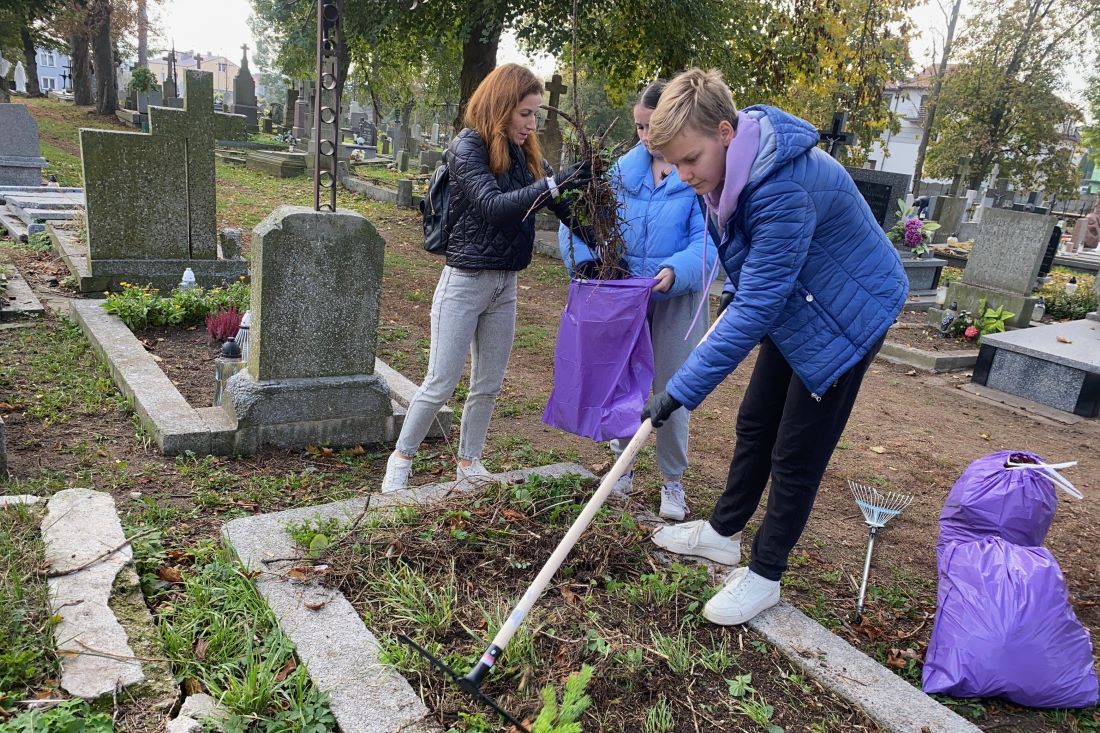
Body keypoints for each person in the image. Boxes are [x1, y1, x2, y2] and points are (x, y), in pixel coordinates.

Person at [640, 69, 907, 626]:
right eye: (675, 162)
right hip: (802, 302)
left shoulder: (782, 187)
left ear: (725, 133)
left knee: (796, 452)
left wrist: (679, 392)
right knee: (756, 421)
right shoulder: (728, 174)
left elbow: (756, 305)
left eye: (690, 159)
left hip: (847, 316)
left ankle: (764, 576)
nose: (683, 174)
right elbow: (758, 277)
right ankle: (721, 533)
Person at [381, 64, 591, 492]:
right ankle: (401, 460)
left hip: (505, 285)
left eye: (535, 115)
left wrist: (593, 221)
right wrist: (552, 186)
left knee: (488, 384)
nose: (532, 125)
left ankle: (469, 462)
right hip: (465, 281)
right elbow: (494, 206)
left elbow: (562, 205)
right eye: (525, 114)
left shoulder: (527, 152)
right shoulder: (467, 147)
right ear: (501, 108)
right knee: (441, 380)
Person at [557, 79, 715, 522]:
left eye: (652, 127)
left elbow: (709, 242)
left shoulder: (697, 175)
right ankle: (622, 466)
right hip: (624, 298)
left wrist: (676, 271)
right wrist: (589, 266)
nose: (645, 137)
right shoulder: (618, 174)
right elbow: (581, 223)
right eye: (639, 128)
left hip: (674, 300)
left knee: (673, 388)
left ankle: (672, 482)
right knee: (624, 381)